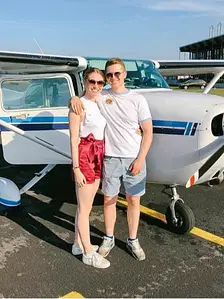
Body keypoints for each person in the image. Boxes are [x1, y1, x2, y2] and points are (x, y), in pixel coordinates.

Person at [70, 58, 153, 261]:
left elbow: (148, 132)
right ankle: (108, 237)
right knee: (108, 199)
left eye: (117, 74)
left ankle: (133, 239)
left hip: (133, 158)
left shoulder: (138, 99)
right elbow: (83, 101)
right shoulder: (101, 95)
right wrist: (72, 98)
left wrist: (141, 158)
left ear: (124, 74)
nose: (112, 78)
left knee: (134, 200)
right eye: (109, 75)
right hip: (109, 158)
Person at [69, 67, 110, 269]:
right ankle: (87, 252)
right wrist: (76, 167)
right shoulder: (79, 106)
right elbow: (74, 138)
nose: (95, 86)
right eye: (91, 81)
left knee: (86, 204)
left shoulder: (101, 101)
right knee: (85, 208)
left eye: (100, 82)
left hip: (99, 154)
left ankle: (78, 243)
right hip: (86, 155)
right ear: (85, 82)